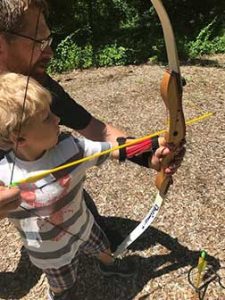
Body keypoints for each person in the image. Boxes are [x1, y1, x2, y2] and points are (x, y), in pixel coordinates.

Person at [0, 0, 184, 243]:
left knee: (73, 196)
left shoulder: (38, 89)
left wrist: (148, 152)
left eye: (49, 40)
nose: (49, 52)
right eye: (38, 42)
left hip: (51, 178)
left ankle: (99, 240)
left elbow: (97, 130)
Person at [0, 72, 183, 300]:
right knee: (64, 287)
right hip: (51, 254)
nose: (57, 118)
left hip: (84, 225)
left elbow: (113, 148)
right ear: (19, 138)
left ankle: (108, 265)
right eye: (46, 117)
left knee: (103, 249)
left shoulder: (71, 147)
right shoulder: (4, 176)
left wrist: (153, 148)